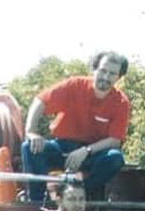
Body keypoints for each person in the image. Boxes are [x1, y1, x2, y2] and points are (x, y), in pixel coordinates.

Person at [22, 51, 130, 202]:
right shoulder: (75, 85)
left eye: (112, 73)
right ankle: (38, 202)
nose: (106, 77)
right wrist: (31, 132)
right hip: (62, 148)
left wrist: (86, 151)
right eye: (103, 71)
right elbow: (40, 101)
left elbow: (115, 140)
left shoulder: (121, 102)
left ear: (119, 77)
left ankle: (79, 196)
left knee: (115, 158)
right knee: (29, 147)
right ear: (94, 69)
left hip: (92, 153)